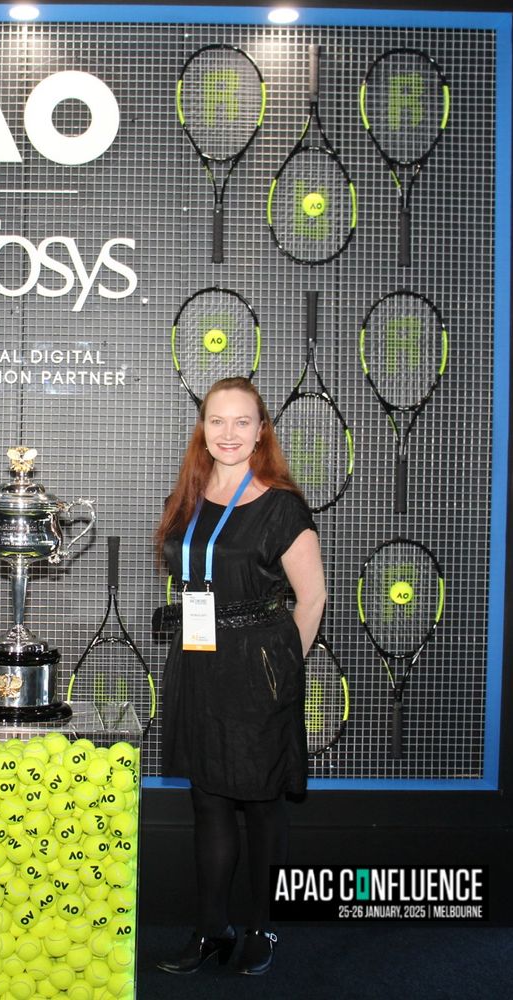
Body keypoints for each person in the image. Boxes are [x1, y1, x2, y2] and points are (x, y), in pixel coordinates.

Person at [155, 376, 325, 977]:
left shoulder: (281, 504)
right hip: (199, 664)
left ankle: (258, 929)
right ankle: (211, 930)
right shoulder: (191, 496)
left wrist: (281, 669)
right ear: (204, 427)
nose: (228, 434)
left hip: (258, 671)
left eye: (242, 422)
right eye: (217, 421)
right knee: (210, 804)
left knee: (260, 805)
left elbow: (312, 598)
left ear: (261, 429)